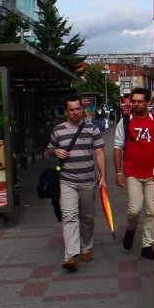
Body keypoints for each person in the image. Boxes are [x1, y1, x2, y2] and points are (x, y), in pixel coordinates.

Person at [46, 92, 107, 272]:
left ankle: (86, 247)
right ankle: (71, 255)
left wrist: (103, 176)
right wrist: (56, 152)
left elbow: (100, 153)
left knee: (87, 218)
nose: (75, 112)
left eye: (78, 109)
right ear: (66, 111)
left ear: (82, 109)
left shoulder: (92, 129)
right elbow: (49, 149)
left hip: (88, 181)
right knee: (70, 216)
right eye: (71, 110)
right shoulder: (58, 130)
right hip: (67, 181)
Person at [113, 87, 154, 260]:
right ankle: (131, 229)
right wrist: (118, 172)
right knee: (134, 210)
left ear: (148, 102)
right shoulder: (125, 122)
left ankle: (147, 244)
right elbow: (117, 147)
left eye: (140, 101)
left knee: (152, 210)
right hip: (132, 174)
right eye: (133, 101)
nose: (135, 104)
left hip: (153, 174)